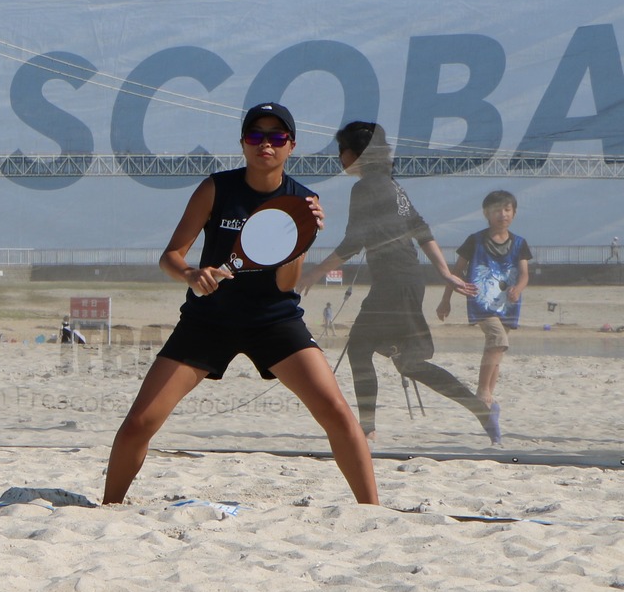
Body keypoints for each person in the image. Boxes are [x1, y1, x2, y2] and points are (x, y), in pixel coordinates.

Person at [102, 104, 377, 506]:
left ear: (291, 145)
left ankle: (373, 514)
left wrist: (303, 235)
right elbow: (171, 256)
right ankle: (108, 509)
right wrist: (192, 274)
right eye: (256, 135)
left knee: (337, 413)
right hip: (209, 319)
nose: (266, 143)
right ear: (243, 143)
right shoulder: (217, 188)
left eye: (277, 136)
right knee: (139, 423)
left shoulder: (303, 201)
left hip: (274, 320)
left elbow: (286, 284)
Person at [307, 123, 495, 446]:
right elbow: (421, 229)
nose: (340, 157)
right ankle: (478, 408)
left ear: (359, 154)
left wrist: (313, 273)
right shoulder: (394, 187)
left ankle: (367, 430)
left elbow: (354, 241)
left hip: (394, 282)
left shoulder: (365, 187)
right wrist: (444, 273)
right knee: (408, 363)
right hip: (408, 280)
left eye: (343, 150)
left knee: (360, 348)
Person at [438, 189, 531, 440]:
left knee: (497, 349)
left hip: (508, 303)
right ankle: (483, 391)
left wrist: (518, 289)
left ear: (514, 213)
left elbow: (524, 275)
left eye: (507, 209)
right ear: (486, 214)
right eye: (497, 210)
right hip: (481, 301)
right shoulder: (475, 240)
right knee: (498, 339)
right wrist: (445, 300)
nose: (503, 214)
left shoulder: (520, 243)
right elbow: (456, 271)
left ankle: (489, 398)